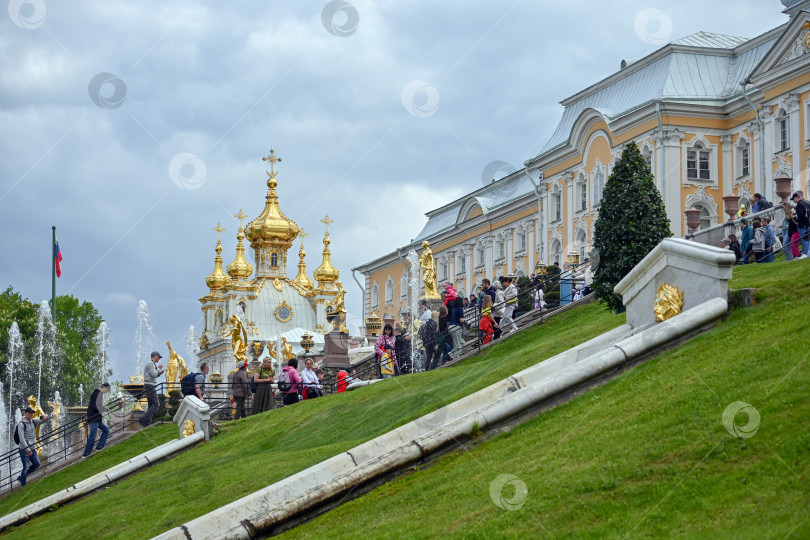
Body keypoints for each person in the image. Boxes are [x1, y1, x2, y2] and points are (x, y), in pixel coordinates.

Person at [16, 407, 49, 486]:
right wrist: (27, 450)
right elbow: (22, 439)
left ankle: (21, 477)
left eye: (32, 413)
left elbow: (44, 419)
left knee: (37, 464)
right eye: (30, 413)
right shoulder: (21, 424)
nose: (31, 414)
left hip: (32, 448)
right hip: (24, 449)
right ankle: (23, 484)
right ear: (25, 413)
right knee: (26, 467)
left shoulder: (33, 422)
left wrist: (45, 415)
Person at [83, 383, 111, 458]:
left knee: (106, 430)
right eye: (107, 390)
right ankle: (85, 454)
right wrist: (104, 409)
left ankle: (99, 447)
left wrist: (104, 409)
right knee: (92, 436)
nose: (107, 392)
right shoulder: (99, 394)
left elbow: (94, 406)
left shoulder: (96, 393)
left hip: (96, 418)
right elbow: (96, 407)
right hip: (94, 418)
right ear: (104, 387)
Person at [139, 351, 164, 428]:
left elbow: (153, 375)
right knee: (156, 405)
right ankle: (143, 419)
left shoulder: (151, 364)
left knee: (151, 405)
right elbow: (153, 374)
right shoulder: (151, 364)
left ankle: (146, 423)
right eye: (158, 357)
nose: (159, 358)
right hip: (150, 386)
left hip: (148, 385)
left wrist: (159, 373)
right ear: (155, 356)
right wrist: (159, 369)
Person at [792, 191, 810, 257]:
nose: (793, 201)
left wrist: (796, 220)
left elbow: (800, 215)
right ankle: (807, 253)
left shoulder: (799, 204)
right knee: (807, 239)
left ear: (797, 197)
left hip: (802, 225)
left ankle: (805, 254)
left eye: (793, 199)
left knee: (804, 239)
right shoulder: (806, 203)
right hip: (807, 224)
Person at [447, 294, 465, 361]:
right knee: (458, 345)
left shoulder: (454, 308)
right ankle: (455, 358)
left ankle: (452, 353)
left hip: (451, 327)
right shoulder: (460, 308)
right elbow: (461, 320)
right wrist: (465, 322)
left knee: (461, 342)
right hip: (456, 327)